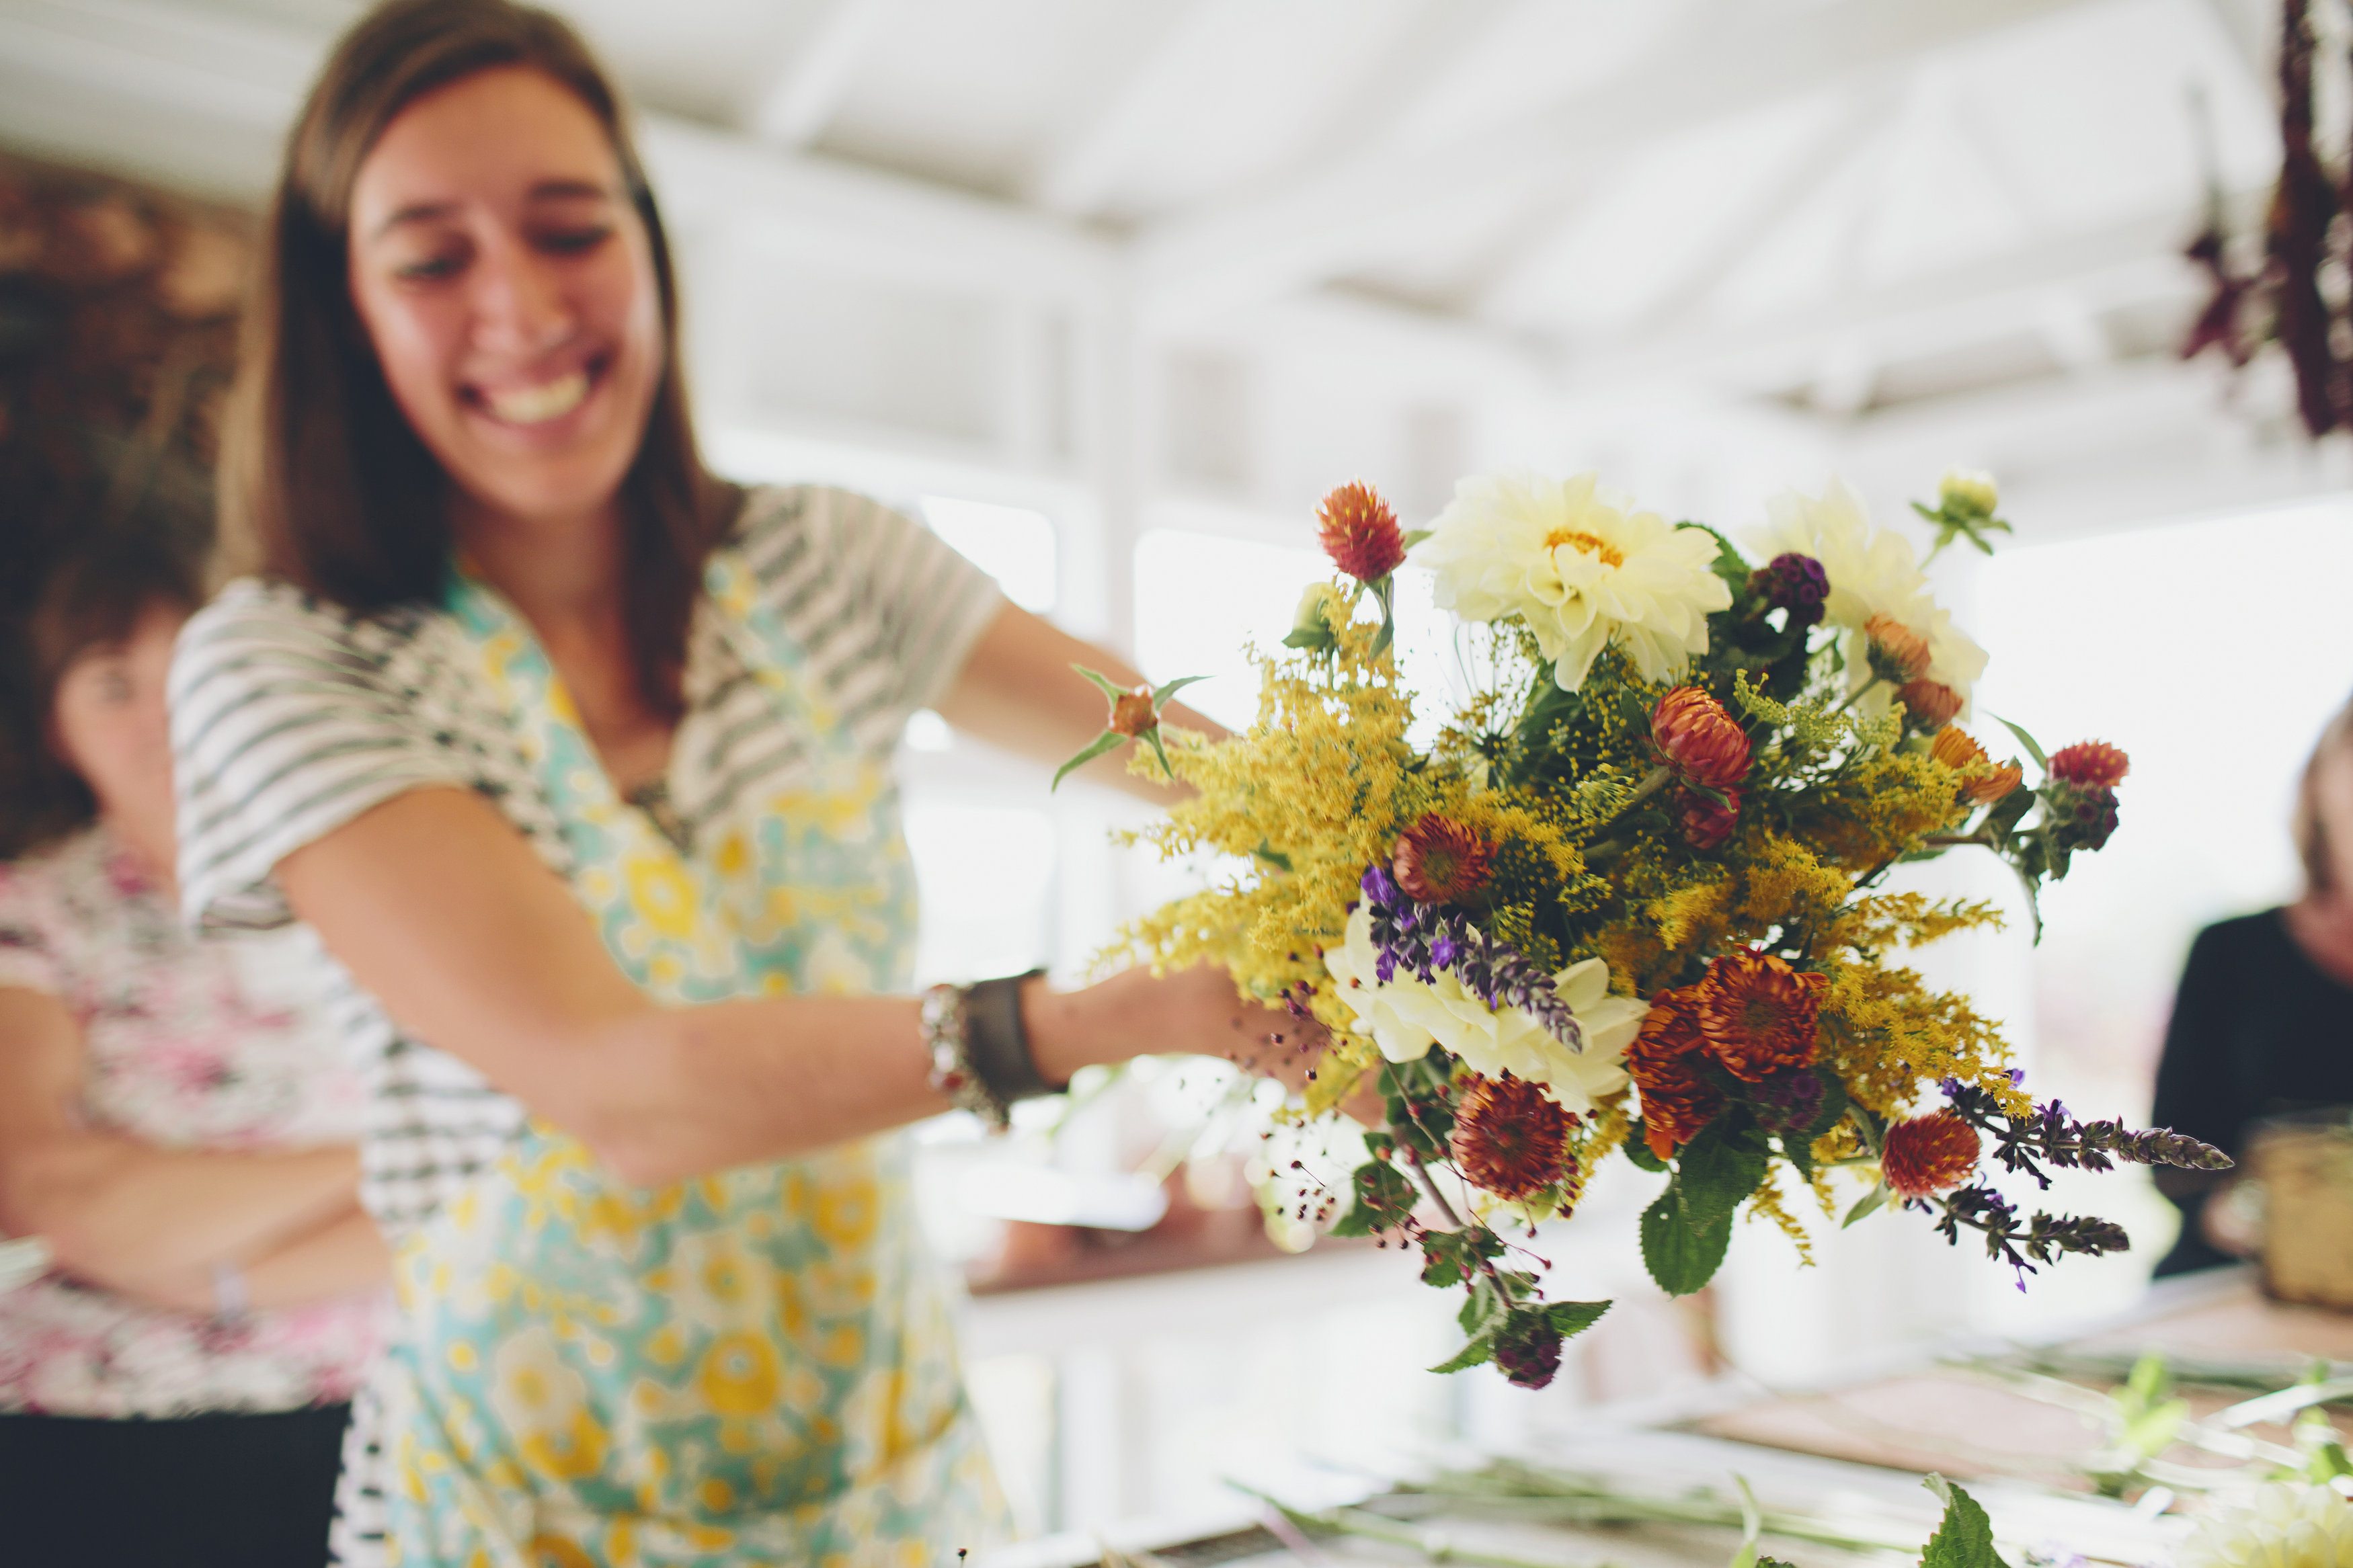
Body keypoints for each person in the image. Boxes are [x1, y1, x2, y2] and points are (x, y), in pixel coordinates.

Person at [169, 2, 1316, 1561]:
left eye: (570, 230)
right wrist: (1123, 1013)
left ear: (648, 246)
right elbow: (620, 1087)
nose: (521, 308)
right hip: (526, 1510)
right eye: (432, 259)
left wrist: (1490, 846)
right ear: (344, 309)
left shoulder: (826, 563)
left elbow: (1216, 773)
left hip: (884, 1474)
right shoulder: (292, 660)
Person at [0, 530, 389, 1567]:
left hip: (372, 1422)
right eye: (112, 684)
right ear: (55, 727)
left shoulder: (372, 889)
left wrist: (218, 1279)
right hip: (95, 1440)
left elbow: (487, 1185)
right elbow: (54, 1197)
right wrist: (385, 1158)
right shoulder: (33, 916)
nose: (163, 716)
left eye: (191, 670)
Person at [2151, 694, 2353, 1276]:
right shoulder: (2230, 951)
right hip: (2233, 1279)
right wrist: (2261, 1220)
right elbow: (2169, 1155)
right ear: (2318, 785)